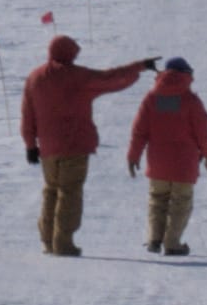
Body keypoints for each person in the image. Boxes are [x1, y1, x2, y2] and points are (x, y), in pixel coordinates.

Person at [19, 35, 156, 255]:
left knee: (51, 191)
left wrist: (30, 145)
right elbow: (111, 79)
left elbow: (27, 115)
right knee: (70, 193)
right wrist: (140, 67)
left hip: (47, 148)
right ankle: (63, 243)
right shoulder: (77, 76)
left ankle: (48, 240)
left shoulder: (34, 78)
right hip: (74, 145)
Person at [126, 56, 207, 256]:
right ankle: (172, 243)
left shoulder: (151, 99)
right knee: (180, 203)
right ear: (186, 75)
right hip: (184, 165)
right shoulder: (190, 100)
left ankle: (155, 239)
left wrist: (133, 156)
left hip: (158, 163)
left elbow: (139, 131)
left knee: (158, 200)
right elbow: (203, 132)